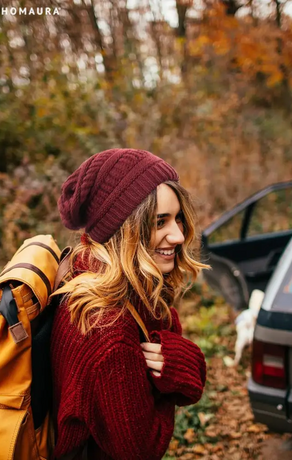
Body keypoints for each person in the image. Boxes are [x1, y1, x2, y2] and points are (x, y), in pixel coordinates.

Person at [51, 148, 210, 460]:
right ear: (121, 229)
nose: (178, 235)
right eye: (160, 222)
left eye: (177, 219)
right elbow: (142, 450)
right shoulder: (110, 330)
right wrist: (178, 373)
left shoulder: (83, 273)